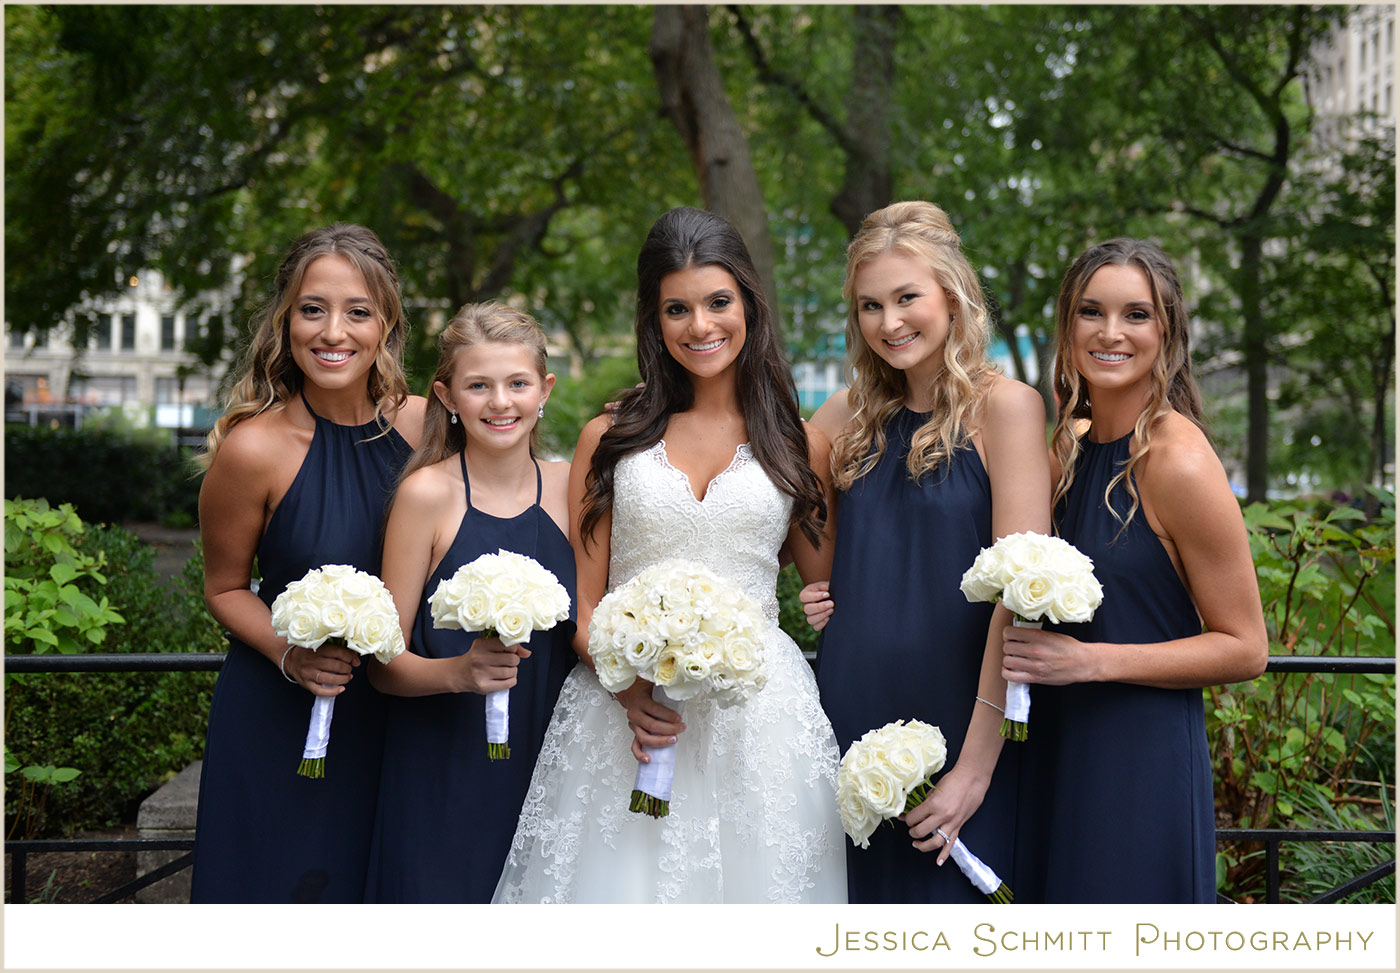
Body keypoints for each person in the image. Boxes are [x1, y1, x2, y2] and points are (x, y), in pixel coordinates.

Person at [494, 206, 847, 903]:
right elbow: (584, 603)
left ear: (748, 301)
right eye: (677, 308)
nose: (701, 325)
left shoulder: (801, 447)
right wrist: (631, 690)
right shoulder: (611, 436)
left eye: (719, 302)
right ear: (654, 320)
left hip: (761, 721)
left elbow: (824, 593)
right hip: (621, 714)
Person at [798, 201, 1051, 902]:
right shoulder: (841, 418)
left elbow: (1021, 597)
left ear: (952, 294)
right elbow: (778, 517)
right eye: (870, 305)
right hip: (851, 703)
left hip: (968, 707)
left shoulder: (1007, 408)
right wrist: (814, 588)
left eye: (907, 296)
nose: (889, 321)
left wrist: (974, 767)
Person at [1003, 238, 1268, 903]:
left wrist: (1091, 663)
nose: (1110, 332)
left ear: (1167, 330)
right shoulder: (1067, 444)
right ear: (1068, 324)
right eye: (1091, 311)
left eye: (1136, 315)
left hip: (1138, 760)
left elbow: (1246, 647)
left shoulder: (1179, 460)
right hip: (1054, 749)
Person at [190, 223, 425, 903]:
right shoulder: (254, 449)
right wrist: (292, 654)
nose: (333, 332)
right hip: (279, 709)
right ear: (285, 320)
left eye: (358, 311)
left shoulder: (425, 428)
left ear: (386, 324)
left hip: (398, 719)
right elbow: (225, 588)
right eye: (312, 308)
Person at [365, 302, 575, 902]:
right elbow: (384, 663)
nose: (500, 402)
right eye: (478, 385)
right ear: (447, 396)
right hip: (443, 763)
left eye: (517, 383)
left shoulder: (568, 487)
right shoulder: (425, 494)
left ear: (544, 390)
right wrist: (458, 672)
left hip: (549, 758)